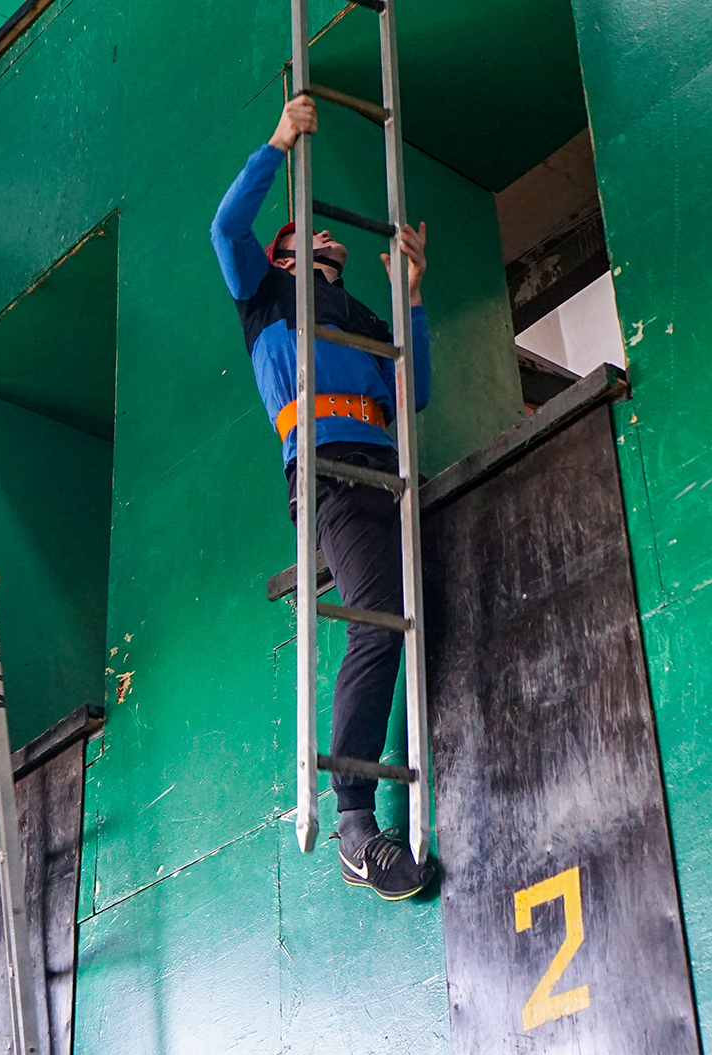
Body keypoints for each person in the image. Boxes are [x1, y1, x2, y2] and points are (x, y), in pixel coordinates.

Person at [210, 93, 436, 901]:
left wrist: (410, 297)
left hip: (386, 479)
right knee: (376, 622)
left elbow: (415, 393)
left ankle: (362, 812)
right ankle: (353, 822)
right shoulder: (266, 297)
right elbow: (225, 230)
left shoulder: (363, 313)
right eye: (310, 232)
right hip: (328, 478)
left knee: (393, 621)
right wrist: (274, 142)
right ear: (285, 255)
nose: (330, 232)